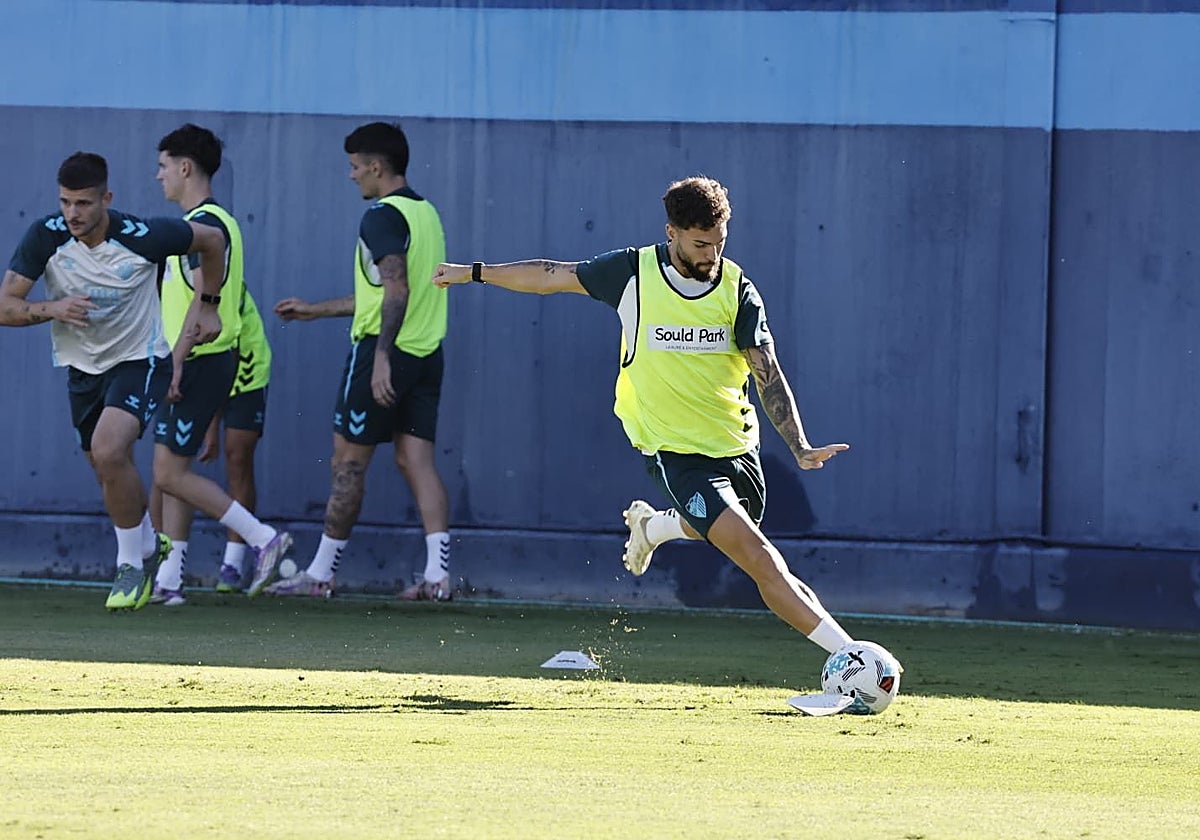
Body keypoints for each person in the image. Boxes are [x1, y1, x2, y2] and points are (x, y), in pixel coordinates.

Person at [433, 176, 859, 655]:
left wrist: (799, 445)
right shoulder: (633, 273)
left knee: (722, 530)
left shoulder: (738, 290)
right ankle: (852, 658)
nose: (711, 255)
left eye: (720, 242)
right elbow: (552, 275)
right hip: (674, 452)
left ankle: (653, 528)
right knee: (760, 559)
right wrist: (473, 272)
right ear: (671, 232)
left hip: (736, 448)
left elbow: (767, 372)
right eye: (701, 244)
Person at [0, 151, 222, 610]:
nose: (73, 214)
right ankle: (146, 543)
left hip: (140, 361)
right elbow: (5, 306)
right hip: (83, 368)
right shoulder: (45, 237)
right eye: (65, 203)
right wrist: (52, 309)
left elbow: (213, 239)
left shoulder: (145, 236)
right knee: (104, 465)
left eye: (83, 203)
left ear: (107, 198)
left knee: (108, 448)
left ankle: (129, 566)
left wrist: (210, 304)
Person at [266, 122, 453, 600]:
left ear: (376, 167)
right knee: (417, 462)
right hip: (427, 354)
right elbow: (382, 294)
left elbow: (396, 290)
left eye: (354, 167)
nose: (351, 177)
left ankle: (320, 575)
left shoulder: (380, 216)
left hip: (382, 352)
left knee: (348, 464)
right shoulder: (425, 213)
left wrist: (382, 357)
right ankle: (438, 577)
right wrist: (314, 310)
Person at [147, 124, 292, 604]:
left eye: (163, 166)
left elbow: (200, 305)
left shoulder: (203, 227)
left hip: (201, 360)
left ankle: (262, 538)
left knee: (168, 475)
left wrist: (179, 363)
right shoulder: (216, 221)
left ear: (185, 167)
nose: (158, 175)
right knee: (170, 470)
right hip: (206, 359)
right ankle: (169, 582)